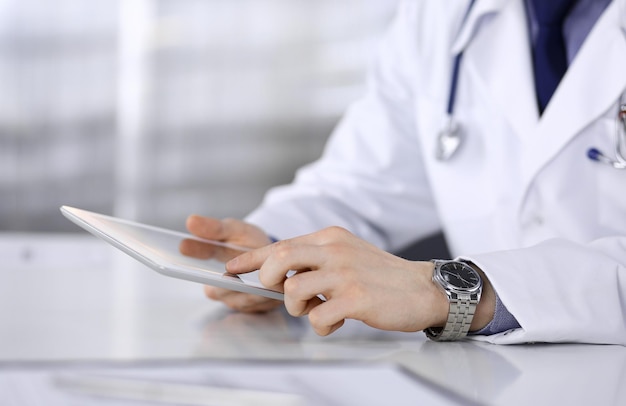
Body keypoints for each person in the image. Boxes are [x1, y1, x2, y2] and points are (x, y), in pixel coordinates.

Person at [186, 0, 626, 345]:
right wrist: (275, 250)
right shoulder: (443, 13)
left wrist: (451, 292)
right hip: (489, 377)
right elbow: (365, 180)